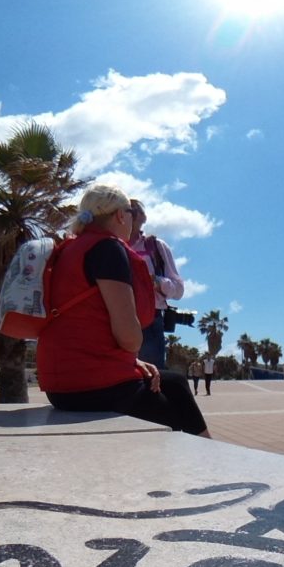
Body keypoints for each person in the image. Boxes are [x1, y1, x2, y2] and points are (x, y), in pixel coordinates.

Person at [37, 184, 209, 435]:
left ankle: (210, 448)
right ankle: (207, 453)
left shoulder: (69, 249)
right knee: (175, 424)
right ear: (120, 215)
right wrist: (133, 350)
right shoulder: (108, 249)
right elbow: (129, 338)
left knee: (176, 383)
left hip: (58, 386)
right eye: (131, 213)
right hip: (95, 387)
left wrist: (135, 362)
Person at [124, 199, 186, 368]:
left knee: (152, 375)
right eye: (124, 211)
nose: (128, 216)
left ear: (142, 217)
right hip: (115, 317)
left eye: (133, 211)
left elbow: (178, 290)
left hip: (150, 320)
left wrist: (156, 281)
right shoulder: (110, 246)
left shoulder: (156, 246)